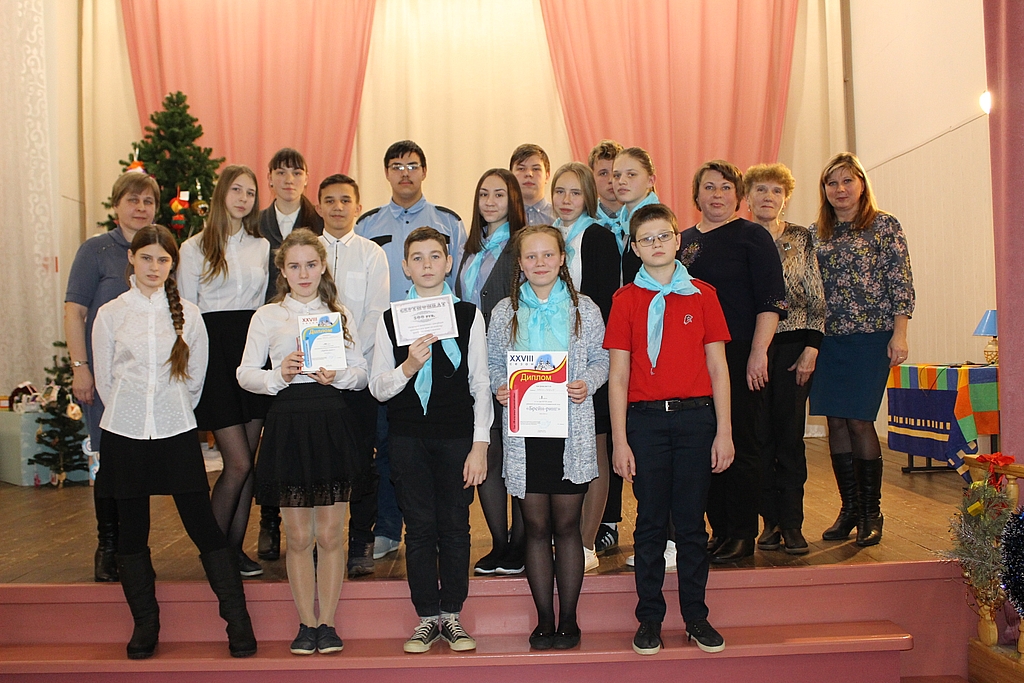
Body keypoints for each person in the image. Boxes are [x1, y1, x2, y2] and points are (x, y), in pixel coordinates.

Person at [92, 224, 256, 660]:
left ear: (172, 265)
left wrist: (169, 411)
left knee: (203, 525)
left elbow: (195, 382)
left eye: (162, 260)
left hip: (175, 430)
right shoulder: (110, 314)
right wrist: (134, 412)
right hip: (126, 433)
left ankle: (238, 623)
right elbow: (107, 381)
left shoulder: (191, 316)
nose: (154, 267)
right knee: (132, 532)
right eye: (146, 257)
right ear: (132, 258)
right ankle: (145, 626)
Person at [606, 203, 733, 656]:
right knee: (650, 523)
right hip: (645, 423)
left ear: (678, 240)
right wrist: (619, 441)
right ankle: (649, 618)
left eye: (664, 236)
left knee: (693, 524)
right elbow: (618, 376)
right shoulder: (625, 300)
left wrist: (724, 431)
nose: (657, 244)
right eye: (647, 239)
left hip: (696, 420)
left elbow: (718, 368)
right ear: (635, 248)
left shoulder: (703, 295)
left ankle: (696, 616)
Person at [237, 229, 368, 655]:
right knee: (297, 536)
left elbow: (362, 373)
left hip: (331, 421)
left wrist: (338, 375)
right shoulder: (267, 316)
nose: (304, 273)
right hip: (288, 424)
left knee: (330, 534)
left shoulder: (339, 314)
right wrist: (280, 375)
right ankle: (304, 624)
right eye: (294, 266)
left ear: (323, 266)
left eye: (311, 264)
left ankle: (327, 623)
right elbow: (245, 374)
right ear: (282, 271)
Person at [370, 227, 491, 653]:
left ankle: (452, 615)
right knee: (420, 528)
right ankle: (426, 617)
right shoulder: (390, 319)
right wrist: (408, 367)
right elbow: (377, 388)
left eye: (435, 256)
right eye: (417, 258)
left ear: (448, 263)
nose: (426, 265)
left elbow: (480, 382)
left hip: (457, 438)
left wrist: (480, 445)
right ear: (405, 267)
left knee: (456, 526)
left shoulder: (468, 316)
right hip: (408, 439)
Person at [488, 225, 609, 651]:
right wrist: (500, 387)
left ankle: (569, 619)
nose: (540, 263)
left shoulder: (585, 309)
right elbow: (494, 364)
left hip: (570, 432)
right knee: (536, 528)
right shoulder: (504, 311)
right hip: (526, 434)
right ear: (519, 264)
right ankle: (544, 620)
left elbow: (602, 358)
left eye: (547, 255)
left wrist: (588, 382)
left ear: (562, 259)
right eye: (531, 256)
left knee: (568, 526)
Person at [357, 140, 467, 561]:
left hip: (443, 338)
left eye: (413, 165)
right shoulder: (368, 224)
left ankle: (440, 528)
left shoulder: (449, 221)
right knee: (392, 442)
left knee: (442, 439)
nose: (405, 173)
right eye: (397, 166)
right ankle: (388, 528)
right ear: (386, 172)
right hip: (392, 342)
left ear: (424, 171)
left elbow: (460, 283)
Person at [677, 160, 788, 564]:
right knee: (704, 444)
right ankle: (719, 529)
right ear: (696, 195)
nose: (717, 195)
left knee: (741, 441)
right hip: (694, 358)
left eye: (726, 187)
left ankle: (741, 532)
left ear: (738, 195)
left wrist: (759, 353)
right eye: (709, 187)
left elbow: (771, 300)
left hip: (740, 353)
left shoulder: (752, 236)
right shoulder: (683, 241)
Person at [809, 152, 915, 547]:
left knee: (858, 420)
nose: (839, 189)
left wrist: (899, 334)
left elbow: (901, 283)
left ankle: (872, 513)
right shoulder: (815, 233)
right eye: (832, 182)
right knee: (835, 422)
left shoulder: (884, 226)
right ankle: (849, 509)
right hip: (828, 339)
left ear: (861, 184)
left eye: (847, 181)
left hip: (871, 338)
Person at [65, 170, 160, 582]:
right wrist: (80, 368)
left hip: (148, 383)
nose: (141, 208)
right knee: (109, 462)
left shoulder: (159, 250)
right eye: (132, 200)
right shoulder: (96, 251)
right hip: (105, 381)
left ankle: (134, 548)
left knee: (139, 467)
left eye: (148, 201)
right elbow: (75, 312)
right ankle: (107, 545)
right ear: (117, 204)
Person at [178, 165, 270, 577]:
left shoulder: (262, 246)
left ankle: (234, 550)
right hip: (213, 355)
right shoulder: (194, 247)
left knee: (248, 462)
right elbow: (185, 311)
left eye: (250, 192)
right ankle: (214, 553)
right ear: (221, 194)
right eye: (236, 190)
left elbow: (263, 305)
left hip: (251, 352)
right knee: (237, 463)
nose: (243, 198)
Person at [743, 164, 826, 556]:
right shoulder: (740, 236)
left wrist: (812, 348)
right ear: (747, 196)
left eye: (776, 191)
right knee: (758, 436)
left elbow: (816, 294)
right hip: (753, 348)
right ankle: (769, 522)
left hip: (794, 345)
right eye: (760, 189)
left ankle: (792, 523)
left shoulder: (800, 237)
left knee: (789, 436)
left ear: (786, 198)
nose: (768, 197)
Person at [315, 174, 390, 578]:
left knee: (362, 461)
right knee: (320, 461)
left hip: (358, 374)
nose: (338, 207)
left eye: (345, 200)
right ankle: (321, 541)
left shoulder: (371, 254)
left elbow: (377, 312)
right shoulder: (307, 252)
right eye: (330, 200)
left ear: (358, 207)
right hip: (313, 378)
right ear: (319, 207)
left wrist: (350, 362)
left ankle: (361, 539)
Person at [453, 168, 527, 576]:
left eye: (500, 194)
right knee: (488, 448)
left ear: (513, 200)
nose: (491, 201)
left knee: (517, 453)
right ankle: (500, 543)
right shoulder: (471, 248)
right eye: (484, 194)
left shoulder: (522, 245)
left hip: (513, 361)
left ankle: (521, 543)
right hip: (474, 361)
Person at [550, 162, 620, 573]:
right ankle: (562, 535)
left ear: (589, 197)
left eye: (575, 192)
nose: (566, 199)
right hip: (548, 362)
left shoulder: (598, 237)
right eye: (560, 191)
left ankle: (587, 542)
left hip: (588, 358)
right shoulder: (546, 235)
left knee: (594, 449)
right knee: (559, 451)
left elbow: (606, 305)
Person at [256, 147, 324, 562]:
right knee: (276, 445)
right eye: (280, 172)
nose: (288, 179)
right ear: (270, 178)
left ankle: (317, 530)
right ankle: (270, 521)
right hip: (274, 333)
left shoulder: (318, 222)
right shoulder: (256, 223)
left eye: (296, 172)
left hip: (317, 331)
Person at [587, 139, 626, 553]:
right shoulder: (583, 228)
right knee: (602, 430)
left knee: (630, 431)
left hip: (637, 339)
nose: (613, 181)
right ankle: (604, 519)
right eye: (604, 173)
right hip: (596, 345)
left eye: (620, 173)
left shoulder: (644, 220)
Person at [612, 147, 662, 285]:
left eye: (631, 174)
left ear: (651, 180)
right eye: (616, 175)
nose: (621, 181)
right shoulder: (622, 223)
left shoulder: (657, 221)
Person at [510, 143, 556, 225]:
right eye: (521, 169)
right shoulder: (501, 217)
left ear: (547, 176)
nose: (529, 174)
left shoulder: (560, 218)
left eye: (536, 169)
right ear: (510, 175)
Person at [588, 139, 624, 228]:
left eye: (616, 173)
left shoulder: (640, 215)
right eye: (603, 173)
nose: (611, 180)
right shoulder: (585, 219)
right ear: (592, 178)